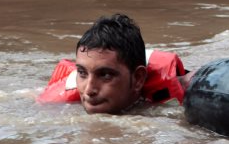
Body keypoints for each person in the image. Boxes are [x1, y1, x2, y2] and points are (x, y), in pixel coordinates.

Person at [37, 14, 189, 114]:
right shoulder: (59, 101)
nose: (89, 90)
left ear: (138, 79)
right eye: (82, 73)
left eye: (105, 75)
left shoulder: (188, 92)